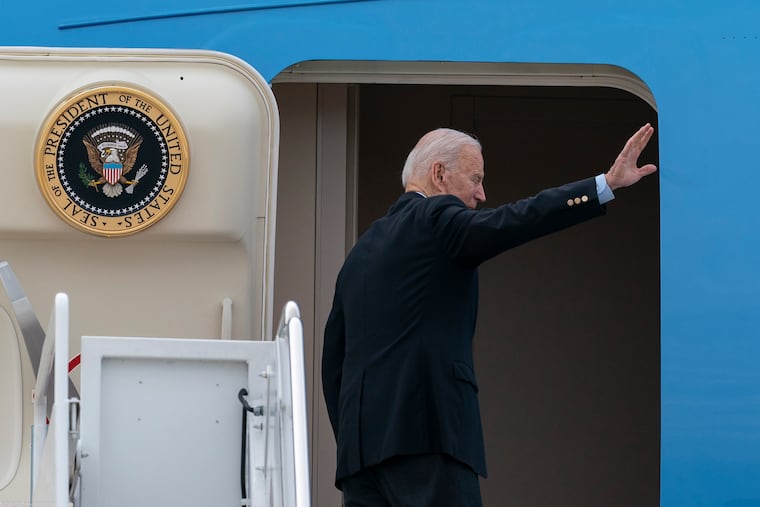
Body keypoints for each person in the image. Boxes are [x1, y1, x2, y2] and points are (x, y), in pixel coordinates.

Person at [321, 124, 657, 506]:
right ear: (439, 174)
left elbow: (333, 363)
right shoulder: (435, 218)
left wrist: (355, 439)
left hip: (360, 460)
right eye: (476, 179)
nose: (482, 194)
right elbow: (512, 221)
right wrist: (604, 185)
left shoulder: (359, 254)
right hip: (428, 440)